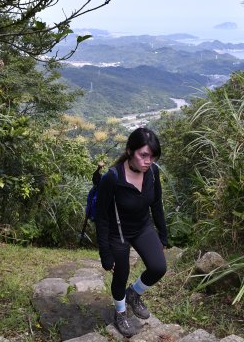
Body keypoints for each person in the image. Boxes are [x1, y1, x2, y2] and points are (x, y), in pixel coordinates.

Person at [95, 127, 168, 337]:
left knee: (158, 267)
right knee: (121, 273)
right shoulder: (112, 178)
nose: (148, 161)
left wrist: (162, 235)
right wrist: (105, 254)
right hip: (117, 233)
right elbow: (101, 218)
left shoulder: (152, 173)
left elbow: (156, 205)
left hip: (142, 227)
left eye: (152, 156)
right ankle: (120, 311)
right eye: (143, 155)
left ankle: (133, 293)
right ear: (129, 151)